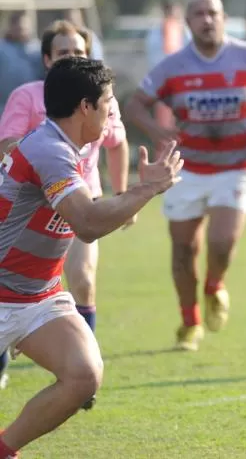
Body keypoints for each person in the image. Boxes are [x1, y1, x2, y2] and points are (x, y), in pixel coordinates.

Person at [0, 57, 182, 458]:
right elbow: (86, 222)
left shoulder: (69, 149)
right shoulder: (49, 150)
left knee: (83, 376)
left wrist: (136, 194)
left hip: (37, 296)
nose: (114, 110)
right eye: (109, 101)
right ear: (86, 107)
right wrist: (144, 190)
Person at [124, 0, 246, 352]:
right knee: (183, 251)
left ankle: (215, 284)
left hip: (237, 164)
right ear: (188, 23)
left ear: (223, 16)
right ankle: (189, 322)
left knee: (221, 242)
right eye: (198, 14)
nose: (207, 19)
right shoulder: (173, 65)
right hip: (187, 168)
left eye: (213, 12)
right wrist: (156, 131)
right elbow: (135, 105)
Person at [0, 21, 131, 401]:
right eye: (63, 53)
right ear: (46, 59)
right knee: (19, 286)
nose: (72, 58)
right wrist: (43, 165)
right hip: (37, 207)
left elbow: (117, 144)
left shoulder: (102, 102)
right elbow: (8, 142)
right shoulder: (30, 99)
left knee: (82, 280)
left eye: (78, 51)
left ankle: (80, 375)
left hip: (79, 205)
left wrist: (123, 193)